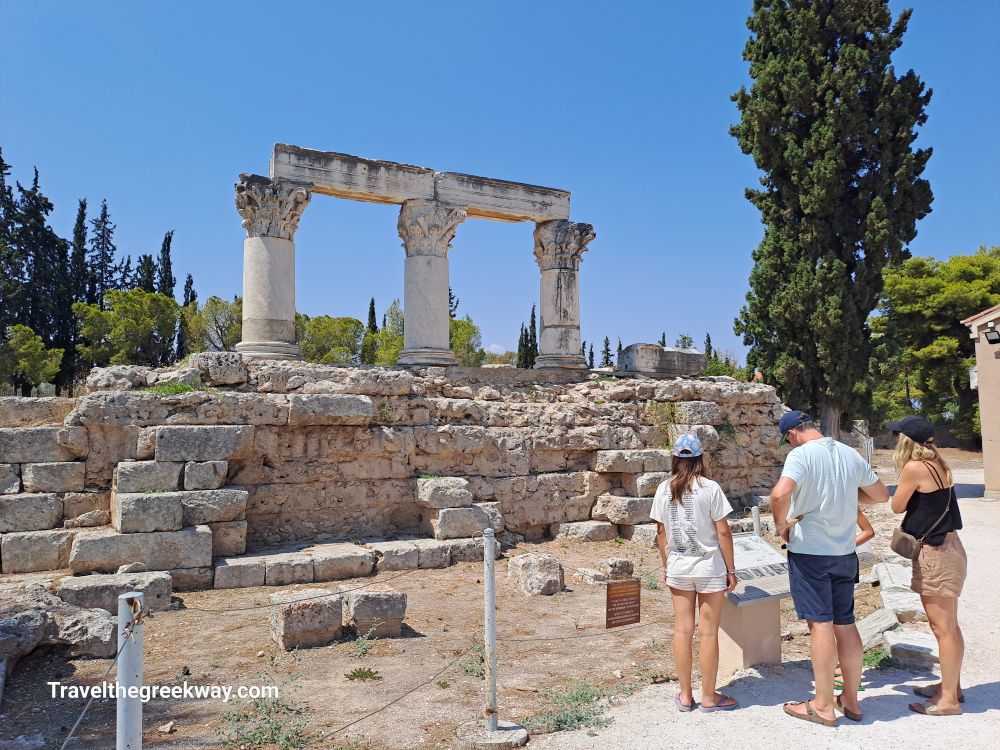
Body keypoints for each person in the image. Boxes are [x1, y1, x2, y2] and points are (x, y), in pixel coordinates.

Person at [769, 411, 889, 727]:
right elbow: (881, 495)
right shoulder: (849, 454)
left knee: (820, 624)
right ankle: (850, 699)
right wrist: (848, 496)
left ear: (792, 434)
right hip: (844, 552)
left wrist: (782, 525)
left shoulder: (800, 456)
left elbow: (779, 493)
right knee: (845, 623)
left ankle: (822, 705)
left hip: (810, 553)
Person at [651, 433, 738, 713]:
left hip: (678, 565)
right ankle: (710, 697)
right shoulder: (710, 488)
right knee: (709, 633)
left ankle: (686, 695)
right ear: (701, 458)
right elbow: (723, 531)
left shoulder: (664, 489)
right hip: (709, 567)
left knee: (682, 630)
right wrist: (731, 568)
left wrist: (667, 565)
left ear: (675, 458)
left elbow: (661, 532)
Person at [888, 415, 966, 716]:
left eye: (898, 436)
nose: (895, 441)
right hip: (950, 546)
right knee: (950, 626)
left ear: (907, 440)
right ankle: (951, 687)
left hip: (936, 553)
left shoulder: (914, 467)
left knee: (942, 628)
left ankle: (948, 701)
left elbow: (896, 506)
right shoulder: (940, 465)